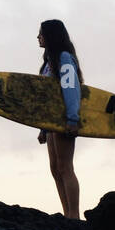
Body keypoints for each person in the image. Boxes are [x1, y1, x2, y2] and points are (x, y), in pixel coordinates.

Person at [35, 19, 83, 219]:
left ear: (51, 36)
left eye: (41, 33)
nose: (38, 37)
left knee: (65, 167)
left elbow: (71, 88)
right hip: (52, 122)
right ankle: (67, 215)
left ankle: (74, 216)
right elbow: (47, 98)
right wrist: (43, 128)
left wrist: (72, 118)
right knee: (55, 169)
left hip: (64, 120)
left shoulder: (64, 58)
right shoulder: (48, 64)